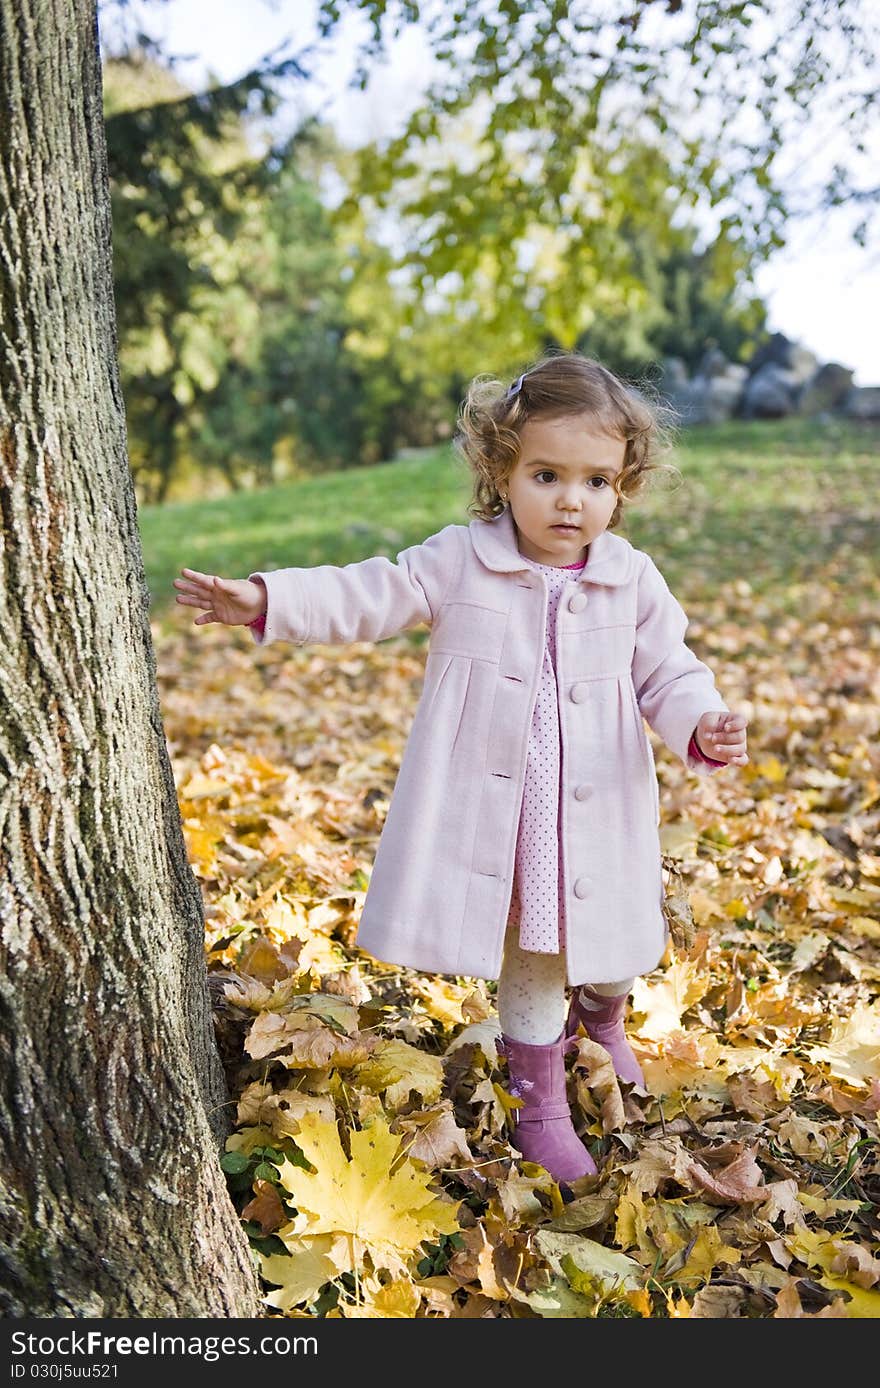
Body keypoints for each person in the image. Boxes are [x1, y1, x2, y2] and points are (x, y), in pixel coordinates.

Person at [174, 351, 749, 1187]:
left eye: (596, 481)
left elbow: (670, 671)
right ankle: (540, 1101)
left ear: (623, 486)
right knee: (535, 951)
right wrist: (270, 599)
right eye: (547, 474)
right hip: (512, 817)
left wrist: (703, 723)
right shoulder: (460, 560)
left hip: (600, 807)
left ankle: (606, 1015)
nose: (570, 499)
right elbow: (368, 593)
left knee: (616, 944)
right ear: (501, 469)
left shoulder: (632, 580)